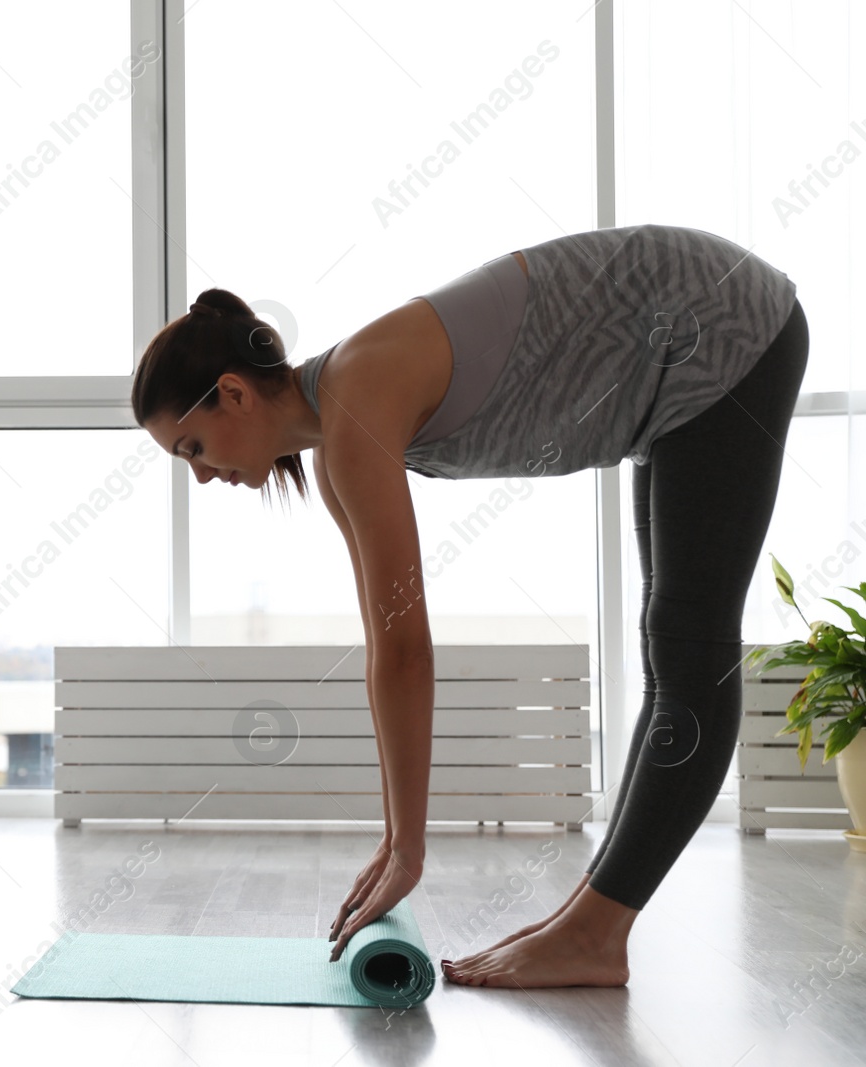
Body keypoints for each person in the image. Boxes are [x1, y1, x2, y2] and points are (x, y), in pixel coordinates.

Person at [130, 223, 807, 988]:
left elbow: (409, 649)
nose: (202, 476)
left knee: (688, 643)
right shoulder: (338, 441)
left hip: (719, 322)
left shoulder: (356, 400)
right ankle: (588, 918)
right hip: (669, 369)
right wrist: (395, 841)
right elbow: (385, 651)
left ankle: (596, 930)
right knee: (671, 643)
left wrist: (411, 851)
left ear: (232, 392)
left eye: (191, 448)